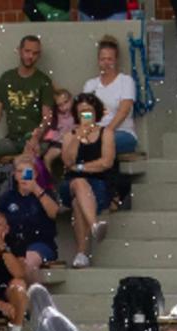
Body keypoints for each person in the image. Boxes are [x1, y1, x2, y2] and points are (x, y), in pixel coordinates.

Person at [62, 94, 115, 270]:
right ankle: (94, 225)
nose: (86, 114)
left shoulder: (105, 133)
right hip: (70, 185)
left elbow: (106, 162)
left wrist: (80, 168)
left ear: (96, 112)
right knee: (78, 183)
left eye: (89, 110)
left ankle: (82, 254)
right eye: (82, 110)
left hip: (98, 184)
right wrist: (79, 137)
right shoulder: (70, 135)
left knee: (79, 200)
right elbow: (67, 161)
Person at [84, 37, 138, 157]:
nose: (106, 63)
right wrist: (88, 129)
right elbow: (85, 112)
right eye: (103, 59)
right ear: (98, 60)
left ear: (116, 60)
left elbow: (124, 111)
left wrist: (107, 131)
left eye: (110, 59)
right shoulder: (90, 84)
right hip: (96, 132)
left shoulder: (125, 81)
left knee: (100, 143)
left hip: (122, 132)